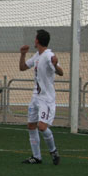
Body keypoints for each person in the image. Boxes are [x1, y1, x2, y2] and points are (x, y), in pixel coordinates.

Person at [19, 29, 63, 165]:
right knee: (31, 126)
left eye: (35, 38)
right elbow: (22, 67)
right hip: (35, 97)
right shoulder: (37, 55)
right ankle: (36, 157)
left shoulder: (49, 55)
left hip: (46, 99)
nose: (34, 40)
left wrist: (55, 64)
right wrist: (22, 54)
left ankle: (53, 151)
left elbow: (60, 72)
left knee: (42, 127)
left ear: (38, 40)